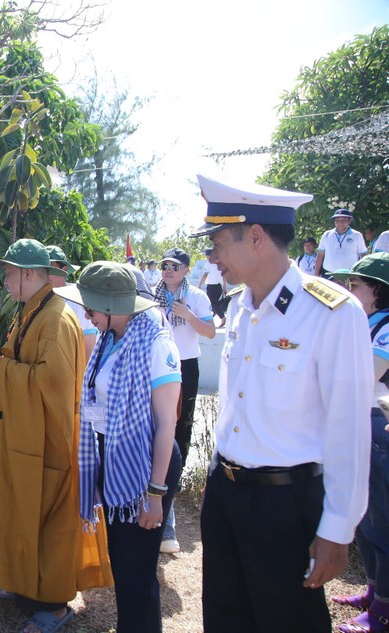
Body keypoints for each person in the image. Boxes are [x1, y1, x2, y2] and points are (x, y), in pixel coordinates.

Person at [193, 174, 372, 633]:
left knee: (287, 621)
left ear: (255, 237)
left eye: (218, 244)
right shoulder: (239, 306)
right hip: (226, 492)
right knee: (225, 618)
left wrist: (338, 528)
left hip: (285, 504)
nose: (211, 257)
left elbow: (349, 429)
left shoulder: (332, 312)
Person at [0, 239, 112, 633]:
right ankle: (23, 583)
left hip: (48, 442)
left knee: (48, 523)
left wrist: (3, 371)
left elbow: (55, 384)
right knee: (19, 511)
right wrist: (5, 367)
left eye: (8, 274)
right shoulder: (32, 310)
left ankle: (54, 604)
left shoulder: (56, 318)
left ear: (28, 274)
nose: (4, 282)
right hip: (24, 436)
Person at [55, 262, 182, 632]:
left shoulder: (155, 344)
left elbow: (166, 424)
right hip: (112, 456)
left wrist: (155, 493)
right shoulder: (111, 338)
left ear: (111, 305)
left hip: (146, 465)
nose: (86, 315)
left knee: (136, 574)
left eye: (90, 307)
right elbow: (97, 401)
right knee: (123, 567)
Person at [329, 253, 389, 633]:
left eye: (356, 285)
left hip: (377, 425)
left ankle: (383, 610)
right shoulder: (365, 324)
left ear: (378, 291)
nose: (348, 291)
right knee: (365, 521)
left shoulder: (386, 328)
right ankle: (372, 591)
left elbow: (368, 374)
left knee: (382, 523)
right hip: (358, 423)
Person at [152, 247, 215, 553]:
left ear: (187, 270)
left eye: (175, 266)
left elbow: (211, 331)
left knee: (182, 428)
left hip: (186, 365)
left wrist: (187, 315)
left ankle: (171, 486)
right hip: (158, 366)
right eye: (165, 265)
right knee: (157, 424)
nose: (168, 270)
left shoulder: (197, 297)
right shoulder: (152, 294)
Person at [47, 244, 98, 360]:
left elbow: (89, 341)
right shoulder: (41, 298)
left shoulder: (76, 299)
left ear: (64, 269)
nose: (45, 274)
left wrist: (84, 372)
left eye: (50, 268)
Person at [315, 208, 367, 278]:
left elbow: (363, 254)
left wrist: (362, 273)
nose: (340, 223)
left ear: (349, 221)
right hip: (328, 273)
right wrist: (316, 273)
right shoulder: (327, 234)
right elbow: (320, 254)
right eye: (337, 220)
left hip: (349, 274)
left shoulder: (356, 235)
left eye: (344, 220)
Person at [198, 247, 227, 324]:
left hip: (211, 287)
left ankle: (222, 317)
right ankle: (212, 318)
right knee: (214, 304)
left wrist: (199, 286)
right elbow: (224, 276)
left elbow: (205, 274)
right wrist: (224, 287)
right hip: (218, 286)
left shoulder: (208, 264)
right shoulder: (219, 263)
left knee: (211, 304)